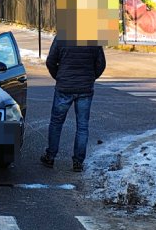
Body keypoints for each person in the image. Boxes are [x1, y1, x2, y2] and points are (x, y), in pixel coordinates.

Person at [40, 38, 106, 172]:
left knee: (56, 123)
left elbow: (51, 61)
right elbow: (101, 64)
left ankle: (50, 156)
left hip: (64, 87)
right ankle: (78, 162)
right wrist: (90, 78)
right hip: (85, 89)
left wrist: (59, 76)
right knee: (82, 126)